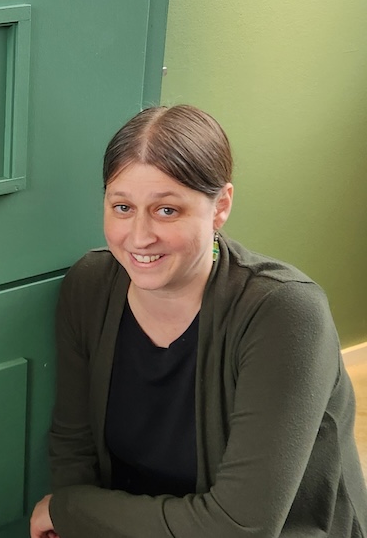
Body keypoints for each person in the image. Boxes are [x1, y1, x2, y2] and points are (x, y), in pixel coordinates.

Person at [30, 105, 366, 537]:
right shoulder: (90, 285)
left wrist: (70, 511)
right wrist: (77, 519)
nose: (139, 237)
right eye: (122, 207)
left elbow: (240, 528)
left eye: (167, 210)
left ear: (220, 206)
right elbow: (73, 446)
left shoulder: (285, 313)